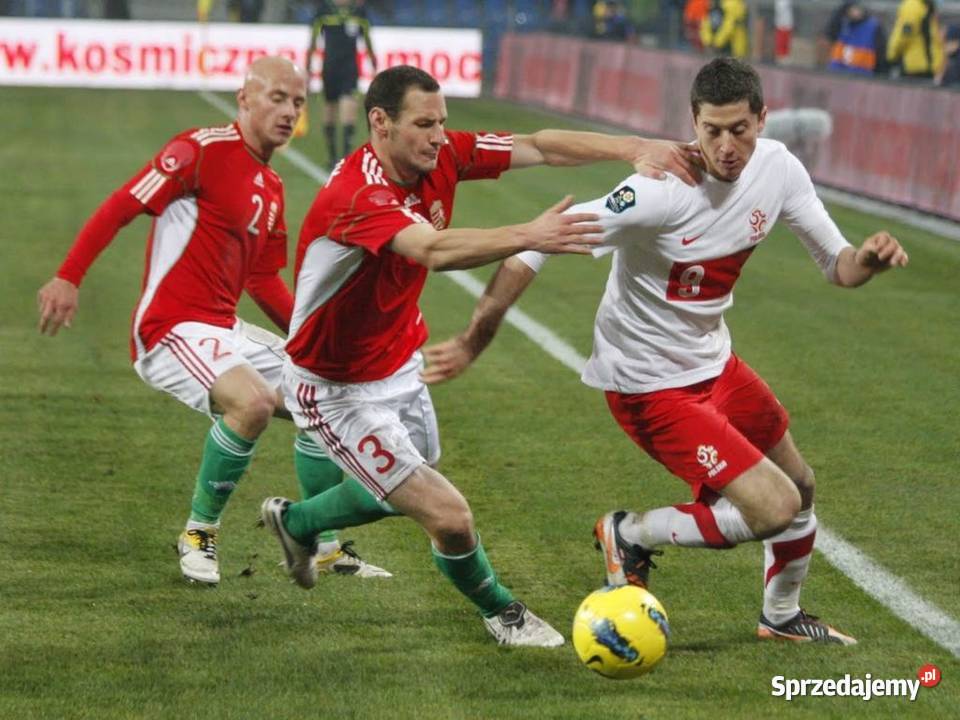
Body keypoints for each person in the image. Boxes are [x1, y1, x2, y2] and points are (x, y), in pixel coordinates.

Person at [424, 58, 909, 645]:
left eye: (740, 129)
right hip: (647, 386)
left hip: (715, 364)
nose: (726, 146)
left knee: (800, 485)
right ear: (692, 123)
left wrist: (871, 260)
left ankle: (780, 618)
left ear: (763, 118)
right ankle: (630, 534)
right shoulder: (658, 190)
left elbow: (839, 265)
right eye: (712, 130)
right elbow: (534, 248)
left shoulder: (780, 169)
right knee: (775, 507)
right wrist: (478, 337)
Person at [258, 64, 701, 647]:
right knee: (448, 514)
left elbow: (539, 146)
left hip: (399, 363)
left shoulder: (442, 154)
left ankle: (294, 523)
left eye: (442, 122)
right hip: (334, 386)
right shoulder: (356, 194)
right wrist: (529, 234)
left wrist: (633, 146)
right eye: (424, 124)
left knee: (395, 488)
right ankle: (504, 613)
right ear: (380, 124)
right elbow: (433, 250)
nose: (439, 136)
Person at [36, 56, 388, 587]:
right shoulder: (200, 150)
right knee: (252, 403)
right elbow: (123, 205)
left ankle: (319, 544)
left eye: (297, 102)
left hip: (222, 328)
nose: (290, 112)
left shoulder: (271, 186)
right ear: (244, 99)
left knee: (324, 391)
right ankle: (199, 532)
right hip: (169, 329)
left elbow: (264, 279)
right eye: (276, 98)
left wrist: (313, 341)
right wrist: (68, 276)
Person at [306, 0, 377, 167]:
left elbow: (367, 42)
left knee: (349, 111)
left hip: (350, 71)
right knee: (329, 110)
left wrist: (374, 66)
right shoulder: (323, 10)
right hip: (329, 69)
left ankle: (345, 158)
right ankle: (332, 157)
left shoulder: (359, 12)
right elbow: (313, 42)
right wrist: (308, 70)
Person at [827, 1, 890, 76]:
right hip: (837, 75)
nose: (854, 12)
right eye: (851, 9)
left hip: (863, 77)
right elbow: (829, 33)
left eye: (856, 8)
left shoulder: (874, 27)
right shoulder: (842, 24)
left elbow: (881, 55)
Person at [887, 0, 944, 80]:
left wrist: (892, 55)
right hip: (922, 65)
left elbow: (904, 35)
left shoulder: (917, 5)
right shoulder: (919, 5)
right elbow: (906, 35)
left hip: (919, 64)